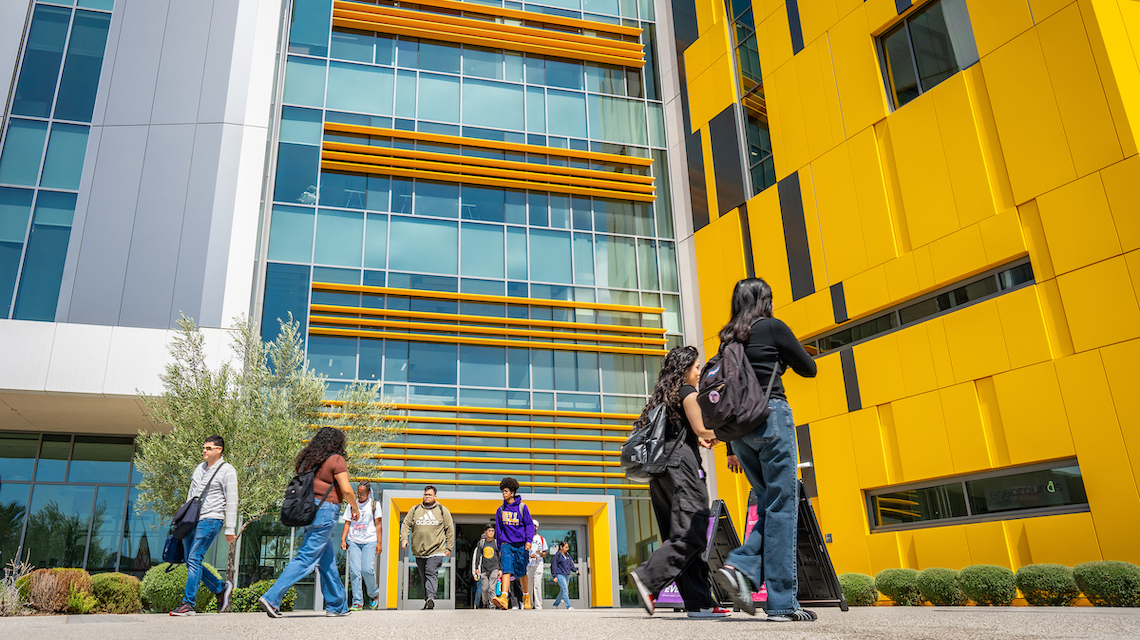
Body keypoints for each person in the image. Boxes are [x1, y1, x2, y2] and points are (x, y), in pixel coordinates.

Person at [713, 278, 818, 622]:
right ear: (765, 302)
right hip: (772, 418)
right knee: (783, 507)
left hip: (740, 433)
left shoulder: (727, 339)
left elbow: (726, 394)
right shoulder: (772, 327)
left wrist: (729, 446)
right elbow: (809, 368)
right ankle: (781, 602)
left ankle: (741, 567)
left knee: (771, 508)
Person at [625, 346, 731, 620]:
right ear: (685, 370)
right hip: (682, 469)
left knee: (682, 537)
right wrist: (731, 432)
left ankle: (699, 603)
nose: (699, 372)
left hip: (660, 474)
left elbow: (687, 434)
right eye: (697, 367)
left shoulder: (662, 399)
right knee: (694, 530)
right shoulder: (687, 391)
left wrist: (700, 440)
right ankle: (649, 577)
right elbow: (701, 428)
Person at [259, 427, 359, 618]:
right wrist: (355, 508)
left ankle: (337, 606)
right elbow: (346, 489)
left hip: (308, 512)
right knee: (306, 558)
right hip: (326, 511)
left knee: (326, 560)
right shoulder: (336, 459)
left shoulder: (307, 461)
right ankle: (271, 598)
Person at [170, 435, 238, 616]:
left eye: (208, 448)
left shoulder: (227, 470)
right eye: (204, 448)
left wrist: (230, 528)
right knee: (190, 560)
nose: (204, 451)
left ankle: (188, 604)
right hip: (191, 520)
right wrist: (183, 519)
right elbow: (190, 496)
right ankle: (220, 588)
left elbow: (232, 500)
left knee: (194, 558)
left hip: (211, 519)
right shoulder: (199, 469)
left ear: (219, 450)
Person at [399, 485, 454, 609]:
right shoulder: (415, 509)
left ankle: (431, 597)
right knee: (424, 576)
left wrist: (449, 547)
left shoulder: (442, 510)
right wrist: (404, 539)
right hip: (419, 551)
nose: (426, 496)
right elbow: (406, 524)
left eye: (429, 494)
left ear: (435, 496)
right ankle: (428, 600)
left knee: (431, 572)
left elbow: (449, 529)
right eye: (425, 494)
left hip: (436, 550)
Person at [492, 477, 533, 610]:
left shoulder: (522, 507)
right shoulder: (500, 510)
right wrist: (499, 547)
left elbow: (529, 525)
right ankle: (504, 597)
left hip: (521, 544)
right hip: (506, 544)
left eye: (506, 491)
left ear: (512, 493)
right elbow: (499, 530)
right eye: (503, 491)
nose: (503, 494)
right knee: (506, 569)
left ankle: (526, 597)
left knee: (521, 572)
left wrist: (528, 540)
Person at [339, 480, 382, 611]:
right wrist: (343, 539)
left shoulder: (374, 504)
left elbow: (378, 524)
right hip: (354, 541)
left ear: (368, 493)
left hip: (370, 540)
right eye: (358, 493)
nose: (359, 496)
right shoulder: (352, 504)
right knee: (354, 571)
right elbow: (347, 522)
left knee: (367, 570)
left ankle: (373, 594)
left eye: (362, 493)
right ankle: (357, 601)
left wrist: (379, 543)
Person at [472, 524, 501, 609]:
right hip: (484, 569)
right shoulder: (481, 543)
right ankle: (485, 603)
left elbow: (500, 557)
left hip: (494, 568)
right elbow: (477, 556)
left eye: (492, 531)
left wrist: (500, 569)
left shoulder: (496, 543)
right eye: (489, 531)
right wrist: (477, 568)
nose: (491, 532)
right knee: (484, 588)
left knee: (492, 588)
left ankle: (492, 605)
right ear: (485, 532)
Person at [526, 519, 547, 610]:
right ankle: (529, 604)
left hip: (538, 564)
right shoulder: (526, 538)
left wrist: (540, 554)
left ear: (537, 527)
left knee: (537, 585)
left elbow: (545, 553)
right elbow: (523, 551)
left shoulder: (541, 539)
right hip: (528, 564)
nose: (532, 527)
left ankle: (538, 606)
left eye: (534, 525)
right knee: (528, 586)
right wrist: (530, 555)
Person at [550, 541, 578, 610]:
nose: (567, 549)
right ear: (561, 547)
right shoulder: (557, 555)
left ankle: (555, 604)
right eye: (565, 547)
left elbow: (571, 565)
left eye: (567, 547)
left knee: (562, 591)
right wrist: (554, 576)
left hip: (567, 575)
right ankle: (568, 606)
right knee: (565, 590)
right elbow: (554, 566)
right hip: (560, 575)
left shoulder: (568, 555)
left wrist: (576, 571)